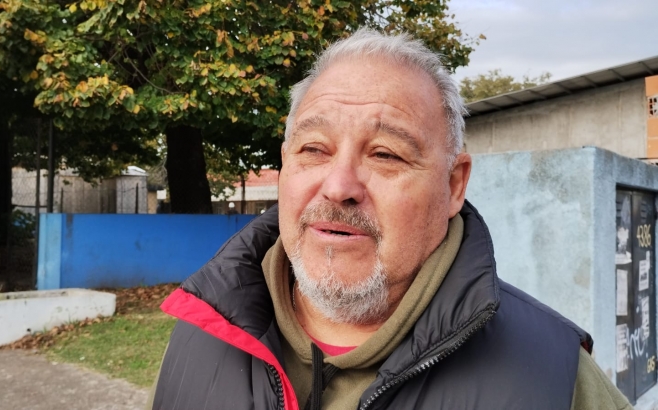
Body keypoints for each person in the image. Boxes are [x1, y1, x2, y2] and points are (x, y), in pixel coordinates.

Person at [147, 29, 631, 410]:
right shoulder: (200, 335)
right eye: (313, 149)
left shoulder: (554, 378)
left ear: (453, 185)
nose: (339, 185)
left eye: (385, 154)